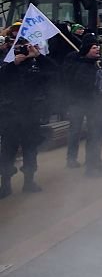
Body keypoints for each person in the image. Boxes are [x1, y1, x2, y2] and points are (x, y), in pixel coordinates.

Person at [0, 41, 54, 197]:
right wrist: (14, 64)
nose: (23, 50)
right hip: (10, 117)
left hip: (31, 117)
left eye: (26, 47)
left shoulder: (36, 67)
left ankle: (29, 181)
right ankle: (5, 184)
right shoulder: (8, 65)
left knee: (30, 151)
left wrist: (39, 56)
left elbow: (55, 73)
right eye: (19, 48)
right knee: (7, 152)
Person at [63, 36, 102, 176]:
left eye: (98, 46)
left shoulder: (95, 63)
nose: (97, 48)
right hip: (80, 104)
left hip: (95, 105)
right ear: (86, 50)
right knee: (78, 131)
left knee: (97, 133)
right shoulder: (79, 66)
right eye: (93, 47)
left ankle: (95, 161)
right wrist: (100, 82)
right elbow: (83, 85)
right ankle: (85, 165)